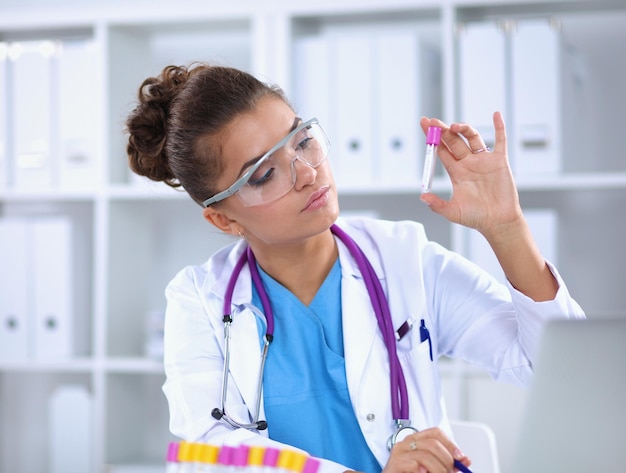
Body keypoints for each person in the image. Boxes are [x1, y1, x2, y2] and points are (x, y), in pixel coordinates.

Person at [125, 63, 585, 473]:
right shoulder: (199, 300)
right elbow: (210, 452)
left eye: (303, 141)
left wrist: (506, 228)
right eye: (265, 174)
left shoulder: (403, 259)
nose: (307, 172)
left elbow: (557, 373)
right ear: (224, 218)